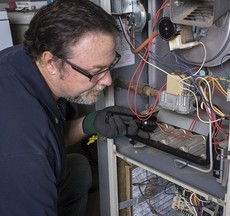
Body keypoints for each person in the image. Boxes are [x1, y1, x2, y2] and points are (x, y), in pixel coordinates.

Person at [0, 0, 144, 215]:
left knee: (77, 168)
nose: (107, 80)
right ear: (51, 63)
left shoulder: (23, 57)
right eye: (96, 71)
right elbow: (39, 145)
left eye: (110, 65)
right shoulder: (27, 153)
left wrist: (90, 122)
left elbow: (52, 136)